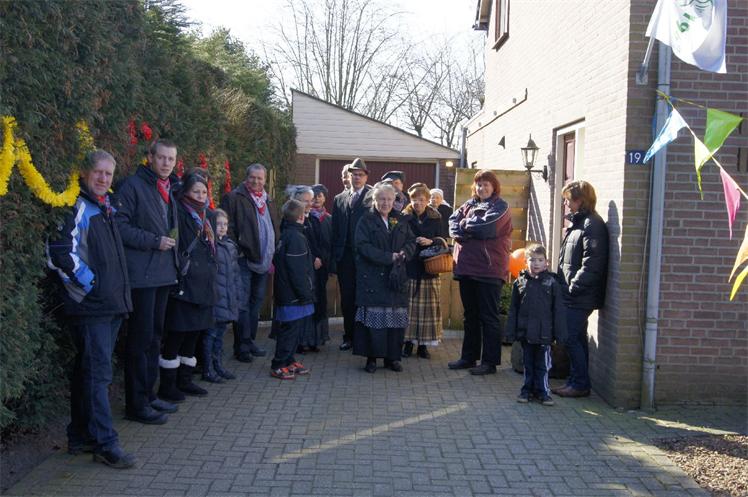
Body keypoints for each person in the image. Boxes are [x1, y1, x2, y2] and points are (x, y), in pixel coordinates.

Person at [47, 150, 135, 468]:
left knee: (88, 371)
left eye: (108, 174)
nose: (103, 178)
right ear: (85, 173)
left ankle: (80, 435)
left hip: (109, 305)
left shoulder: (105, 206)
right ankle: (104, 443)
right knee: (99, 375)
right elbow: (60, 253)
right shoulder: (77, 205)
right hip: (91, 306)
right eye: (98, 172)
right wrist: (92, 284)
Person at [115, 139, 180, 425]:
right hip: (142, 277)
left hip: (163, 274)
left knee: (154, 339)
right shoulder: (132, 186)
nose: (166, 163)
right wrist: (154, 241)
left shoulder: (169, 188)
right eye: (161, 158)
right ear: (150, 157)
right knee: (140, 341)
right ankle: (136, 404)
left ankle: (149, 395)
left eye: (171, 159)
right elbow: (119, 226)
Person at [158, 171, 217, 401]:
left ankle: (185, 380)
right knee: (176, 335)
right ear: (186, 192)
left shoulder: (207, 215)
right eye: (196, 191)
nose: (200, 196)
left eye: (203, 192)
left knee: (193, 335)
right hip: (185, 283)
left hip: (204, 285)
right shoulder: (178, 212)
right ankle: (167, 386)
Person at [448, 169, 512, 375]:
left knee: (489, 317)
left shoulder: (501, 206)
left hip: (489, 270)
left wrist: (464, 225)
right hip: (466, 268)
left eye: (486, 184)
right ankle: (468, 357)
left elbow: (487, 228)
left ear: (494, 187)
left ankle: (489, 363)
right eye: (479, 184)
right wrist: (464, 227)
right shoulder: (468, 204)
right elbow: (452, 224)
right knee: (470, 316)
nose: (481, 188)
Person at [552, 180, 608, 398]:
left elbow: (592, 263)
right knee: (577, 337)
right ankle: (576, 381)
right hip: (573, 293)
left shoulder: (592, 225)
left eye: (568, 199)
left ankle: (580, 384)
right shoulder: (579, 223)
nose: (566, 204)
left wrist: (573, 287)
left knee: (571, 338)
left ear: (580, 200)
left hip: (579, 295)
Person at [353, 183, 416, 373]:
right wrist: (388, 257)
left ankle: (392, 359)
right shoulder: (366, 220)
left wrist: (404, 253)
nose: (386, 203)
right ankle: (371, 359)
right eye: (382, 199)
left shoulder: (400, 219)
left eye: (389, 199)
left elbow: (411, 241)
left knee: (395, 322)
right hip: (373, 278)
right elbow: (362, 246)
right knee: (373, 322)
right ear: (374, 200)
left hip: (396, 279)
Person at [220, 163, 276, 362]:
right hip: (243, 260)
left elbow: (273, 226)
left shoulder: (268, 200)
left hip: (263, 262)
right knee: (242, 305)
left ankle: (250, 341)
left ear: (265, 180)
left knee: (255, 304)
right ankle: (241, 347)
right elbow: (227, 228)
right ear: (246, 177)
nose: (256, 181)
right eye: (253, 177)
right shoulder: (233, 198)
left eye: (260, 178)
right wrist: (238, 251)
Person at [505, 243, 567, 406]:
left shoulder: (552, 283)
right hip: (526, 333)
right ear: (526, 262)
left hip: (544, 334)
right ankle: (527, 390)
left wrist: (560, 334)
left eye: (540, 260)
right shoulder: (520, 282)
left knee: (543, 365)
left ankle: (543, 392)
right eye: (532, 260)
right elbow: (514, 309)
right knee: (528, 364)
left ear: (546, 262)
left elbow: (558, 310)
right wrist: (511, 332)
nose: (536, 263)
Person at [270, 199, 314, 380]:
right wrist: (305, 294)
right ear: (301, 217)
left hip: (288, 293)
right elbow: (297, 271)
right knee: (289, 331)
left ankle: (289, 360)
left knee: (294, 330)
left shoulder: (286, 234)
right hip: (293, 295)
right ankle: (278, 364)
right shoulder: (296, 238)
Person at [331, 158, 372, 351]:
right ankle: (348, 336)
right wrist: (334, 257)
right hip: (345, 258)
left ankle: (363, 338)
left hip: (365, 257)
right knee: (347, 299)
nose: (357, 178)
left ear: (366, 177)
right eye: (354, 174)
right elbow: (335, 229)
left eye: (360, 175)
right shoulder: (339, 198)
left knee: (364, 298)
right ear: (349, 176)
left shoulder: (373, 197)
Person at [402, 183, 443, 359]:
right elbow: (399, 239)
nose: (417, 203)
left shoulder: (436, 217)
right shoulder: (404, 217)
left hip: (429, 268)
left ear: (427, 200)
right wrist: (412, 242)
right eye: (414, 199)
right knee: (409, 309)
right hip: (410, 268)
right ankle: (408, 344)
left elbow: (443, 239)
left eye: (421, 199)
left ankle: (423, 346)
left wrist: (430, 241)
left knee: (428, 311)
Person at [202, 208, 240, 383]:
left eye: (225, 224)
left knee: (220, 335)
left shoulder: (230, 246)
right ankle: (207, 368)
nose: (223, 227)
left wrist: (237, 297)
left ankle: (218, 365)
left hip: (227, 298)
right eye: (219, 224)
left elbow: (235, 275)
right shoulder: (210, 246)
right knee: (210, 335)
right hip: (215, 299)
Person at [289, 185, 328, 352]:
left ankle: (313, 340)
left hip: (317, 270)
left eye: (310, 200)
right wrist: (312, 259)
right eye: (305, 201)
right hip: (303, 269)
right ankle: (300, 341)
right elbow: (296, 245)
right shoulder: (291, 220)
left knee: (316, 302)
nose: (309, 204)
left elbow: (320, 243)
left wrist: (320, 259)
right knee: (302, 303)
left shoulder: (313, 219)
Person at [309, 183, 333, 349]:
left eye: (320, 196)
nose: (317, 199)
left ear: (324, 198)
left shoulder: (329, 219)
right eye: (314, 196)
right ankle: (308, 337)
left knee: (321, 299)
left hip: (323, 266)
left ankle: (319, 337)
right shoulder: (305, 217)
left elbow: (331, 243)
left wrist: (325, 261)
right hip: (308, 265)